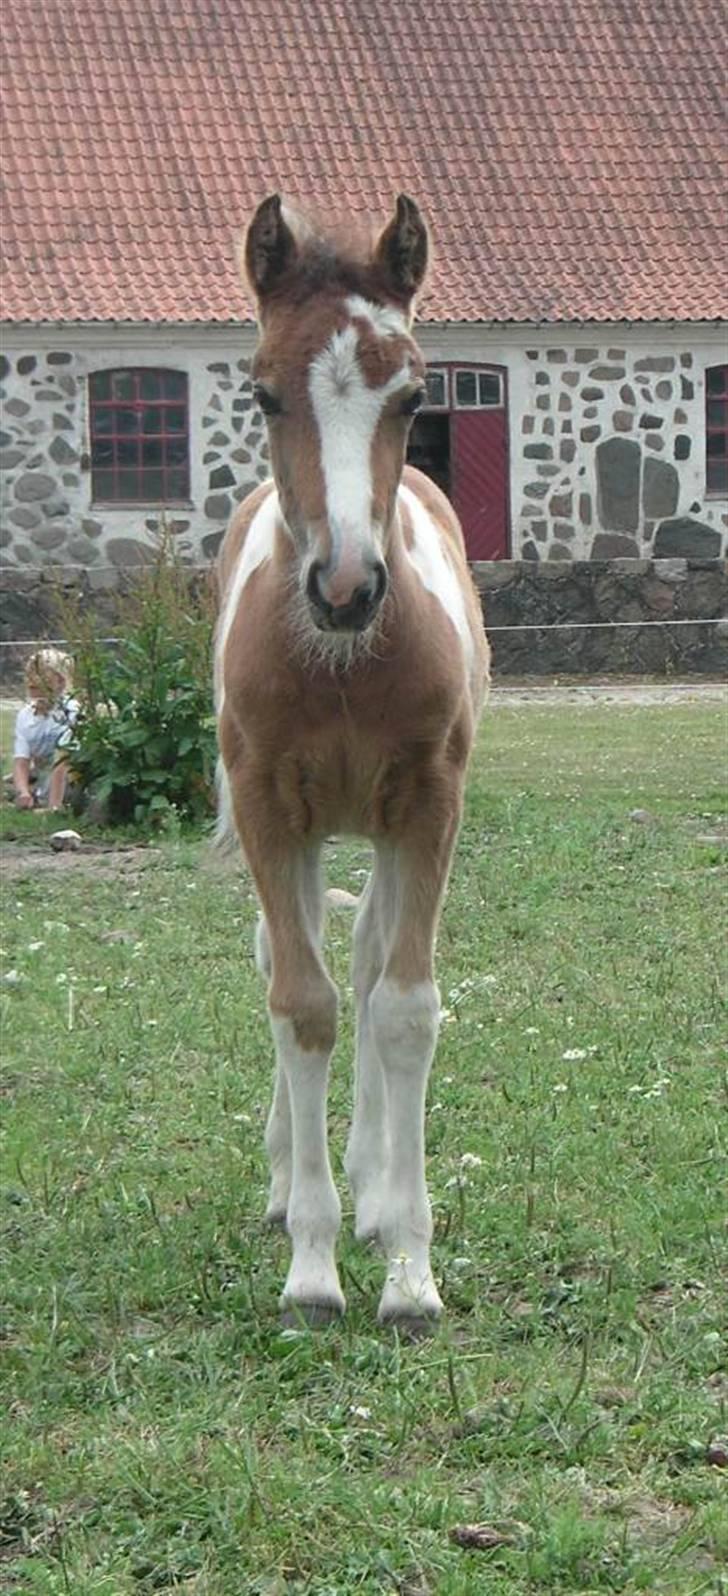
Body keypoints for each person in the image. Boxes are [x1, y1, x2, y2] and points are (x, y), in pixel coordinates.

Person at [13, 648, 79, 812]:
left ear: (60, 681)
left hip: (69, 775)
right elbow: (21, 760)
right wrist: (23, 792)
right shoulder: (25, 715)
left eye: (41, 674)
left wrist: (53, 806)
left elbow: (63, 760)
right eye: (30, 673)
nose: (32, 680)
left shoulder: (71, 711)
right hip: (42, 772)